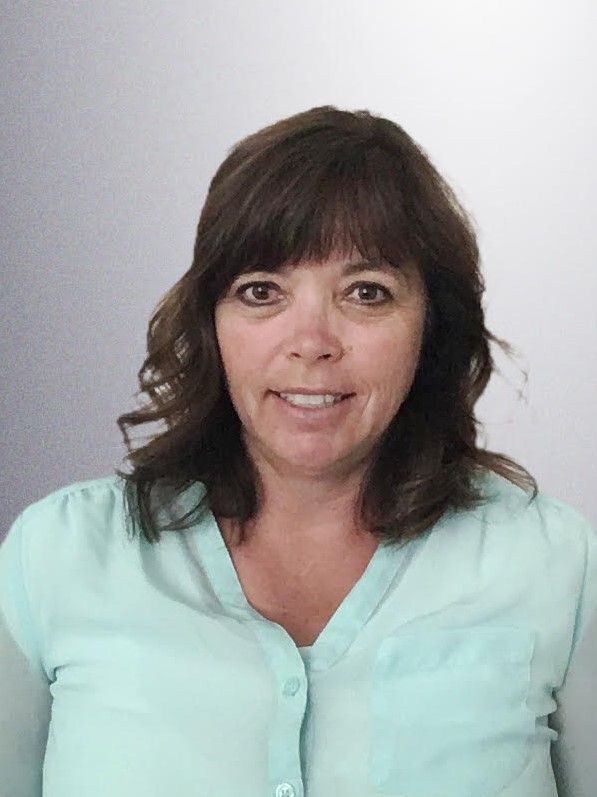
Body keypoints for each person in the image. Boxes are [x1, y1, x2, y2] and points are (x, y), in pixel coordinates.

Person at [1, 105, 595, 797]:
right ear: (210, 320)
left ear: (431, 324)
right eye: (262, 292)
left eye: (365, 293)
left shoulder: (553, 564)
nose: (310, 340)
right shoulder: (55, 561)